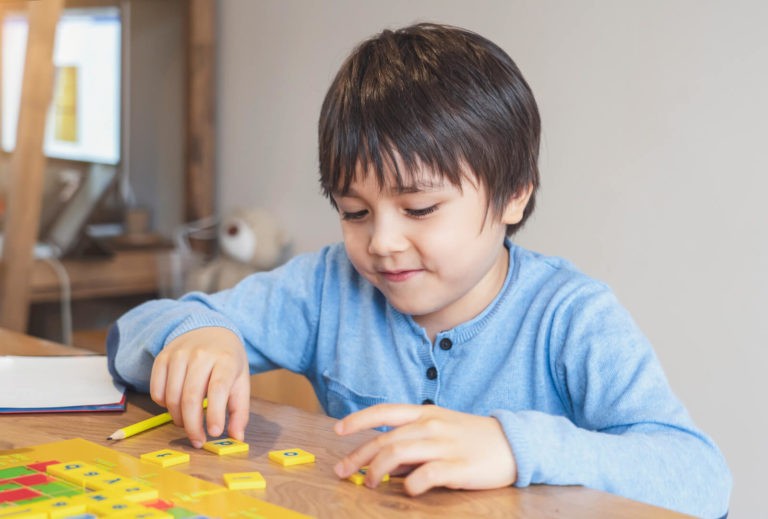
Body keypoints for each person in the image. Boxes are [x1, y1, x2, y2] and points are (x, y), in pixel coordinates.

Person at [107, 23, 731, 518]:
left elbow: (701, 479)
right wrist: (193, 334)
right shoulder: (329, 287)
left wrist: (514, 447)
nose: (381, 243)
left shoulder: (571, 316)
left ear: (515, 193)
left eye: (420, 208)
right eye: (354, 212)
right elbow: (131, 336)